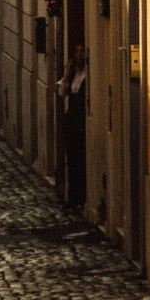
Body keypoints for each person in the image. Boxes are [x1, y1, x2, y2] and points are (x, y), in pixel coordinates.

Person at [57, 44, 89, 210]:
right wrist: (66, 75)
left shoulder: (88, 74)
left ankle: (81, 196)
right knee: (72, 158)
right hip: (71, 118)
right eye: (76, 51)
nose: (79, 54)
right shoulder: (74, 73)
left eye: (81, 51)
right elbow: (62, 93)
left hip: (82, 119)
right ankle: (73, 196)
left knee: (81, 158)